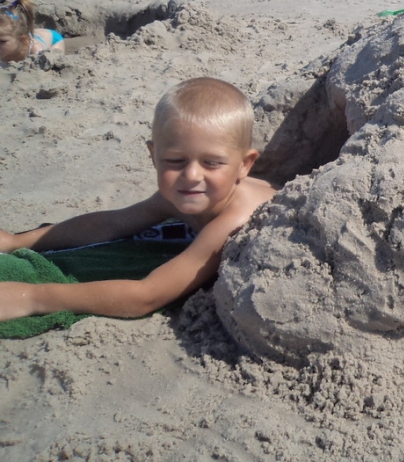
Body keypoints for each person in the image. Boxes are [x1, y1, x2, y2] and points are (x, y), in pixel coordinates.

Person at [0, 77, 277, 322]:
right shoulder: (178, 196)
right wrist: (16, 241)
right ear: (153, 155)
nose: (191, 175)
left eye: (212, 163)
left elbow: (147, 295)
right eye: (175, 160)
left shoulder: (235, 221)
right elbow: (113, 223)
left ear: (244, 165)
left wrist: (33, 298)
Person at [0, 0, 65, 63]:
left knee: (54, 60)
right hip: (29, 33)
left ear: (22, 40)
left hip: (54, 40)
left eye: (1, 41)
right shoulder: (6, 45)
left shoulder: (36, 51)